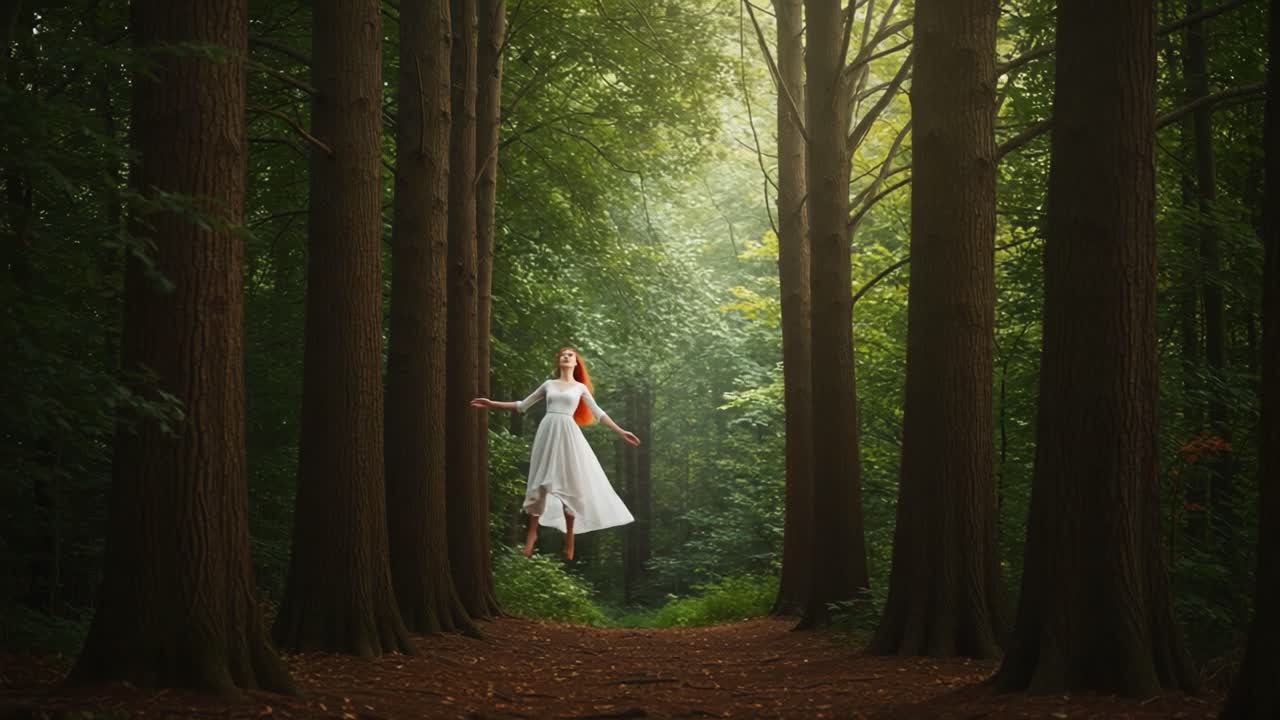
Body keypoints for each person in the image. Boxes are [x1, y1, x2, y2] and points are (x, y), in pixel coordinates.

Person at [471, 347, 640, 560]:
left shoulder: (580, 388)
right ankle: (532, 533)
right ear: (558, 361)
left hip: (568, 434)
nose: (566, 357)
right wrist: (491, 403)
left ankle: (569, 538)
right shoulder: (549, 385)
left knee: (568, 482)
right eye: (562, 355)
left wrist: (621, 431)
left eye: (570, 355)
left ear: (576, 362)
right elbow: (522, 405)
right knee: (541, 480)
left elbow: (598, 413)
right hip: (548, 432)